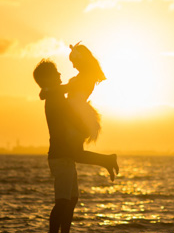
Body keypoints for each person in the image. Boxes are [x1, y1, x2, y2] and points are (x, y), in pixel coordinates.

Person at [38, 43, 119, 181]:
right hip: (75, 110)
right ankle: (107, 160)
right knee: (75, 153)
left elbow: (68, 88)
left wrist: (48, 91)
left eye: (74, 62)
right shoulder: (85, 75)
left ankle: (107, 160)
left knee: (75, 154)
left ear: (81, 61)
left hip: (77, 113)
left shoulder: (86, 77)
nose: (73, 66)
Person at [33, 59, 82, 233]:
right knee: (62, 201)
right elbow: (52, 92)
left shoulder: (54, 94)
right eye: (56, 74)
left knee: (72, 198)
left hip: (67, 155)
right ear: (48, 79)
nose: (60, 76)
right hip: (60, 155)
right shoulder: (53, 96)